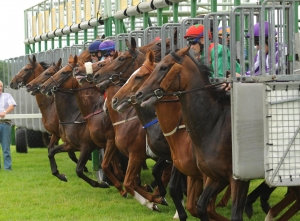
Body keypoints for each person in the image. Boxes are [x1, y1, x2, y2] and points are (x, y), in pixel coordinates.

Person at [0, 81, 16, 170]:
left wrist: (4, 112)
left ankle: (7, 168)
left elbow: (12, 106)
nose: (0, 88)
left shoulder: (7, 96)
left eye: (1, 86)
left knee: (6, 149)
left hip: (5, 124)